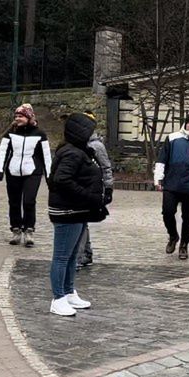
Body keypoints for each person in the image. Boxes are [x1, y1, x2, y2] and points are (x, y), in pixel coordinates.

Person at [46, 113, 108, 317]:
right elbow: (61, 180)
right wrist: (88, 196)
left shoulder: (80, 151)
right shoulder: (72, 153)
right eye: (89, 131)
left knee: (73, 255)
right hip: (68, 210)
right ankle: (58, 298)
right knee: (62, 256)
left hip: (78, 210)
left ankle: (68, 291)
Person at [0, 103, 52, 248]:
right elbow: (2, 151)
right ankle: (16, 229)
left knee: (28, 201)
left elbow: (46, 155)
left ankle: (29, 230)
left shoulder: (40, 134)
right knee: (14, 202)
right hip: (13, 171)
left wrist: (49, 174)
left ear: (28, 117)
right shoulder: (10, 133)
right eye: (16, 116)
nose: (17, 119)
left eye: (20, 116)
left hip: (32, 172)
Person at [154, 113, 189, 260]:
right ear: (185, 123)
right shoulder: (172, 138)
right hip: (171, 183)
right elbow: (162, 159)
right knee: (167, 212)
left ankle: (184, 245)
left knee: (187, 218)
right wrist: (158, 178)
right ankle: (173, 236)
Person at [78, 112, 113, 268]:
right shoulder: (75, 143)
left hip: (90, 188)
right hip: (77, 187)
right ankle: (86, 252)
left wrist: (108, 188)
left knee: (80, 220)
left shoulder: (96, 146)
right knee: (80, 221)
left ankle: (81, 255)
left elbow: (106, 167)